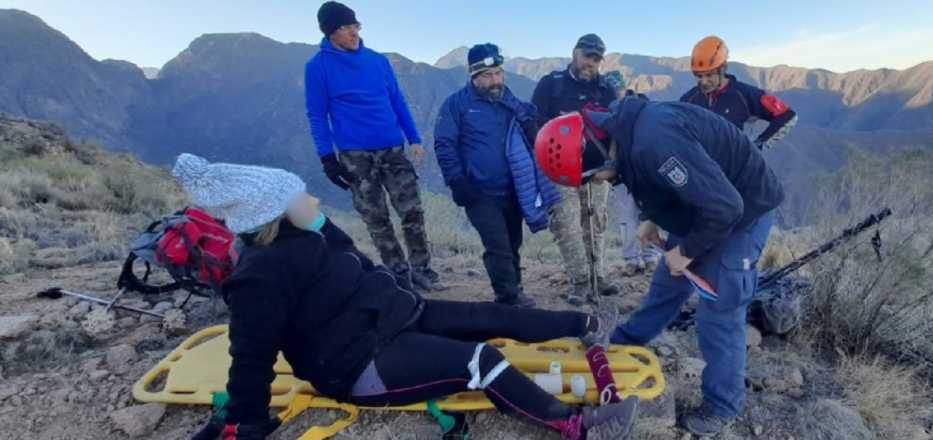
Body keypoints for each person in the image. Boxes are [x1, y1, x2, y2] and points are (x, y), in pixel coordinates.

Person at [173, 154, 639, 440]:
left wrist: (323, 227)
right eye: (300, 197)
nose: (312, 201)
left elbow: (353, 259)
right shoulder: (259, 276)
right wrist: (244, 424)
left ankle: (586, 326)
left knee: (491, 314)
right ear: (274, 212)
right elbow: (251, 356)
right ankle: (577, 426)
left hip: (392, 316)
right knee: (478, 359)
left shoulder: (311, 233)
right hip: (359, 365)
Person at [534, 96, 784, 436]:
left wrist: (688, 250)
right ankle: (628, 341)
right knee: (669, 281)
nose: (599, 182)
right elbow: (654, 179)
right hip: (706, 205)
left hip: (745, 208)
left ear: (594, 151)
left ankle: (722, 407)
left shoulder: (657, 142)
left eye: (592, 177)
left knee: (719, 307)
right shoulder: (624, 133)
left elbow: (726, 208)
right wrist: (652, 219)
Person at [304, 1, 441, 290]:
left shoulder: (378, 61)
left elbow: (397, 101)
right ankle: (398, 273)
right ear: (331, 32)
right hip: (355, 156)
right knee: (376, 217)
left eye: (356, 25)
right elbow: (317, 115)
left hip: (392, 148)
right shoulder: (317, 68)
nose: (354, 32)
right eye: (347, 27)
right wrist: (327, 158)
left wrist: (414, 138)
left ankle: (422, 269)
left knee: (412, 211)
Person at [433, 43, 561, 307]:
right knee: (497, 245)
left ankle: (515, 286)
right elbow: (444, 144)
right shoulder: (456, 104)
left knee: (513, 242)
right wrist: (457, 181)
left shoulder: (510, 100)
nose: (495, 80)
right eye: (488, 75)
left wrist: (531, 124)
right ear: (474, 76)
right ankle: (508, 297)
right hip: (478, 191)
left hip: (513, 189)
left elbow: (533, 131)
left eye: (499, 73)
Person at [531, 33, 620, 305]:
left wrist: (612, 165)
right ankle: (580, 282)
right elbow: (535, 125)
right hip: (561, 171)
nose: (590, 63)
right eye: (586, 56)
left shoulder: (606, 89)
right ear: (574, 53)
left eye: (596, 58)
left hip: (597, 170)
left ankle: (599, 276)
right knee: (567, 225)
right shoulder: (551, 85)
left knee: (596, 223)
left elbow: (617, 128)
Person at [680, 35, 798, 151]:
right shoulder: (688, 99)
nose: (704, 82)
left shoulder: (745, 95)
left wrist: (758, 147)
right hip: (700, 167)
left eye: (709, 75)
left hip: (737, 168)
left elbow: (788, 116)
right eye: (699, 76)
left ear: (723, 68)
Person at [603, 72, 662, 275]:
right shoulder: (607, 111)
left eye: (617, 91)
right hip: (621, 172)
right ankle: (632, 259)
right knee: (627, 215)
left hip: (644, 170)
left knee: (649, 213)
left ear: (624, 89)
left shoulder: (641, 106)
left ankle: (651, 256)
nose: (614, 96)